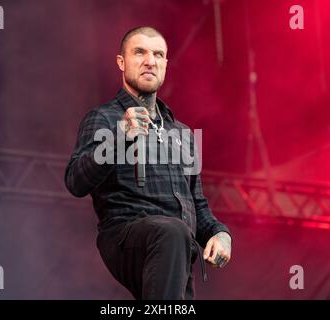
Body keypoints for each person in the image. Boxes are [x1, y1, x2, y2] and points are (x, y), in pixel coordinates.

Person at [64, 26, 231, 300]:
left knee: (176, 239)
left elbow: (197, 205)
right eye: (139, 52)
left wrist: (220, 234)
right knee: (172, 231)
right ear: (121, 62)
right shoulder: (104, 118)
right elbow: (75, 181)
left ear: (165, 64)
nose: (149, 61)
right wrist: (120, 138)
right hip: (127, 234)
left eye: (158, 54)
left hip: (176, 249)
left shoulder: (182, 134)